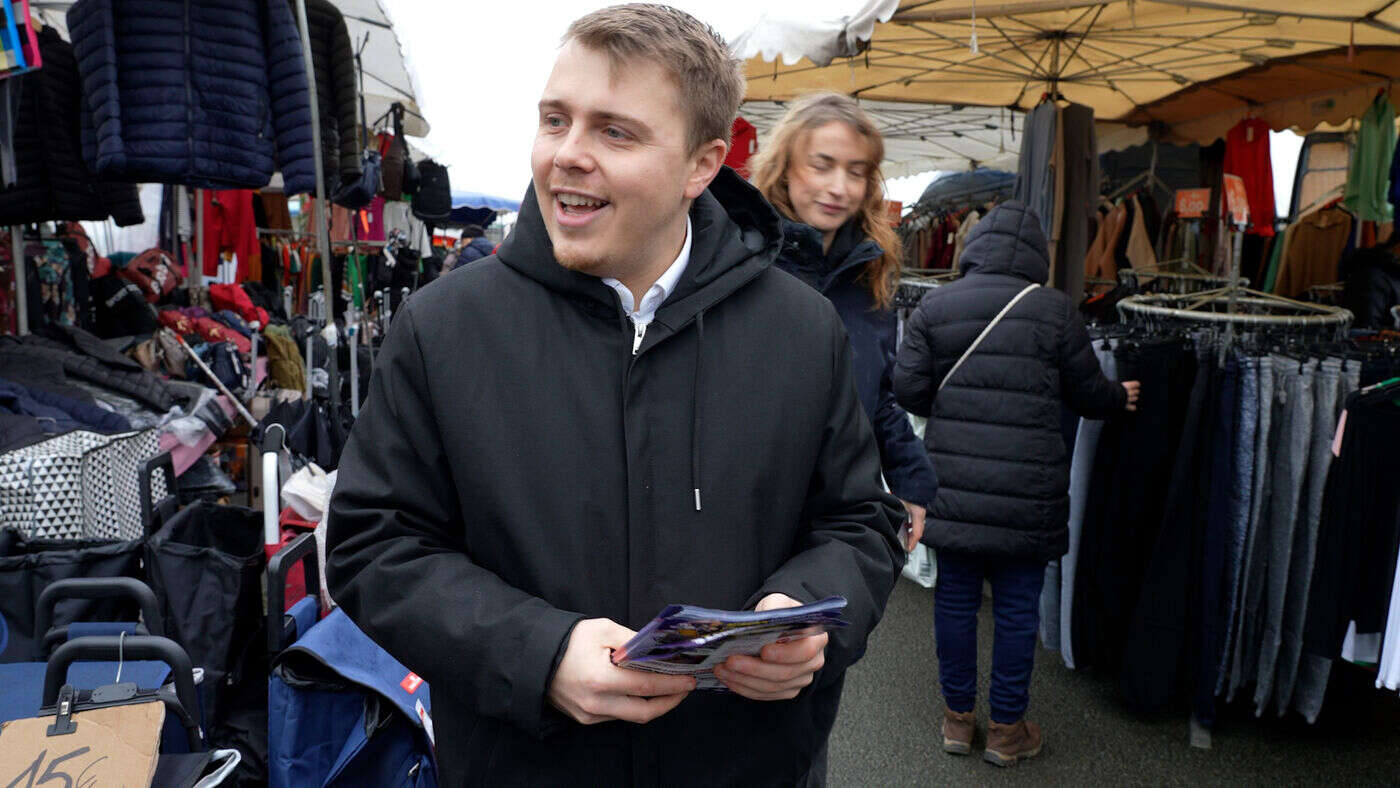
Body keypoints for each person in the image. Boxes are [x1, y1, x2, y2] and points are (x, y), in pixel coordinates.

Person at [326, 5, 905, 786]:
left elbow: (861, 519)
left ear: (703, 165)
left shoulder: (802, 330)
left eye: (614, 132)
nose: (568, 155)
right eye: (555, 120)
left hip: (750, 765)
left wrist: (806, 616)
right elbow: (375, 545)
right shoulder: (445, 327)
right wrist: (539, 653)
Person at [893, 201, 1140, 766]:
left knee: (954, 603)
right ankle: (1006, 728)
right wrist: (1119, 395)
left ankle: (958, 721)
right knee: (1016, 609)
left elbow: (907, 392)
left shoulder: (936, 303)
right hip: (1029, 489)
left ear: (975, 246)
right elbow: (1085, 394)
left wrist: (954, 408)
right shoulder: (1055, 310)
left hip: (953, 482)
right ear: (1035, 254)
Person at [750, 92, 937, 554]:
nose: (839, 187)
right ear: (785, 167)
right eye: (822, 164)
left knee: (829, 624)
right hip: (746, 508)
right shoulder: (743, 259)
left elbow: (876, 396)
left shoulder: (868, 274)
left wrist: (911, 479)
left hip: (837, 512)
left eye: (856, 172)